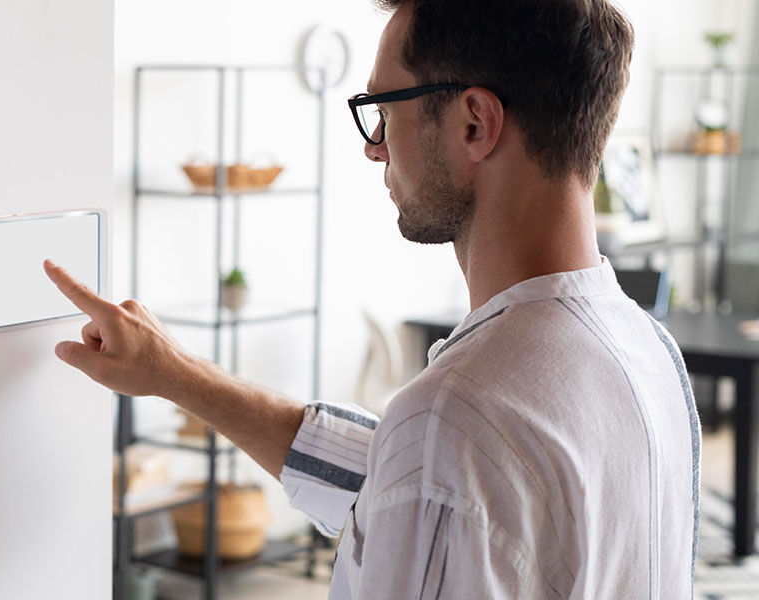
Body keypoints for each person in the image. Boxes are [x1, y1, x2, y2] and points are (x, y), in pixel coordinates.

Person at [43, 0, 700, 596]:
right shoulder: (650, 358)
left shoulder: (456, 420)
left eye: (386, 109)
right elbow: (404, 486)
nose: (373, 146)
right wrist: (176, 375)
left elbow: (434, 472)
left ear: (474, 123)